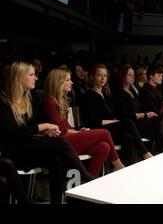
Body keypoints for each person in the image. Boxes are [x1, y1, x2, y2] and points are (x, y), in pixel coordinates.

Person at [0, 62, 95, 204]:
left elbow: (33, 127)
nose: (36, 78)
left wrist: (47, 132)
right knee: (60, 142)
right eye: (32, 75)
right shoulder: (3, 101)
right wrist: (44, 126)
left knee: (57, 160)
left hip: (31, 147)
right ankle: (86, 177)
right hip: (14, 152)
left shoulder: (32, 98)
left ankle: (56, 202)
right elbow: (15, 133)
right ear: (19, 77)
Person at [42, 68, 125, 176]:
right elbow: (61, 130)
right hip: (60, 143)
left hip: (67, 139)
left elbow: (67, 127)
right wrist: (79, 133)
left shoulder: (60, 101)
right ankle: (119, 167)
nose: (71, 82)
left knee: (104, 146)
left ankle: (90, 181)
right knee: (105, 133)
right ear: (58, 82)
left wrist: (78, 131)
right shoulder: (49, 102)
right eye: (67, 80)